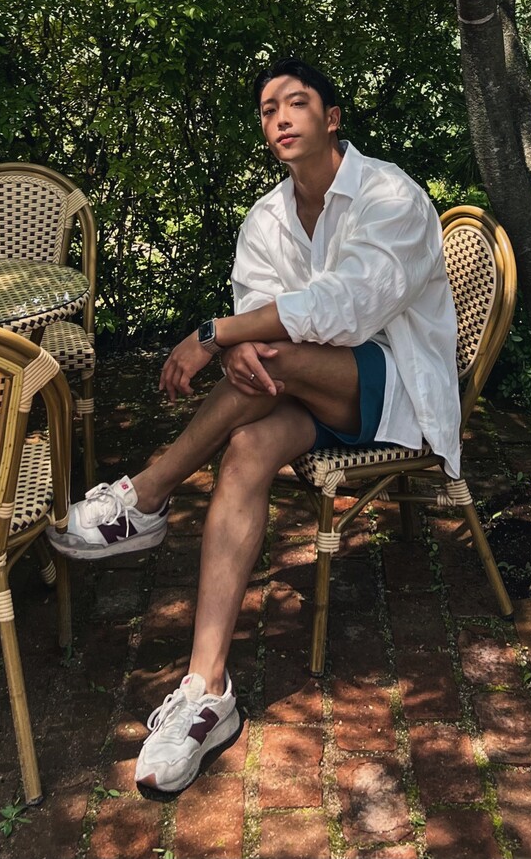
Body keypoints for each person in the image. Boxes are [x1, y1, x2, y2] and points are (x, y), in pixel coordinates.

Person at [49, 58, 460, 799]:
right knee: (245, 447)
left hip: (398, 392)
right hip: (302, 391)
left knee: (271, 352)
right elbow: (258, 308)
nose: (281, 118)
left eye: (296, 103)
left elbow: (346, 310)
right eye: (269, 109)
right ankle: (207, 692)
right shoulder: (266, 218)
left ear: (332, 118)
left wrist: (218, 335)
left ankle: (146, 494)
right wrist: (236, 344)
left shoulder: (389, 194)